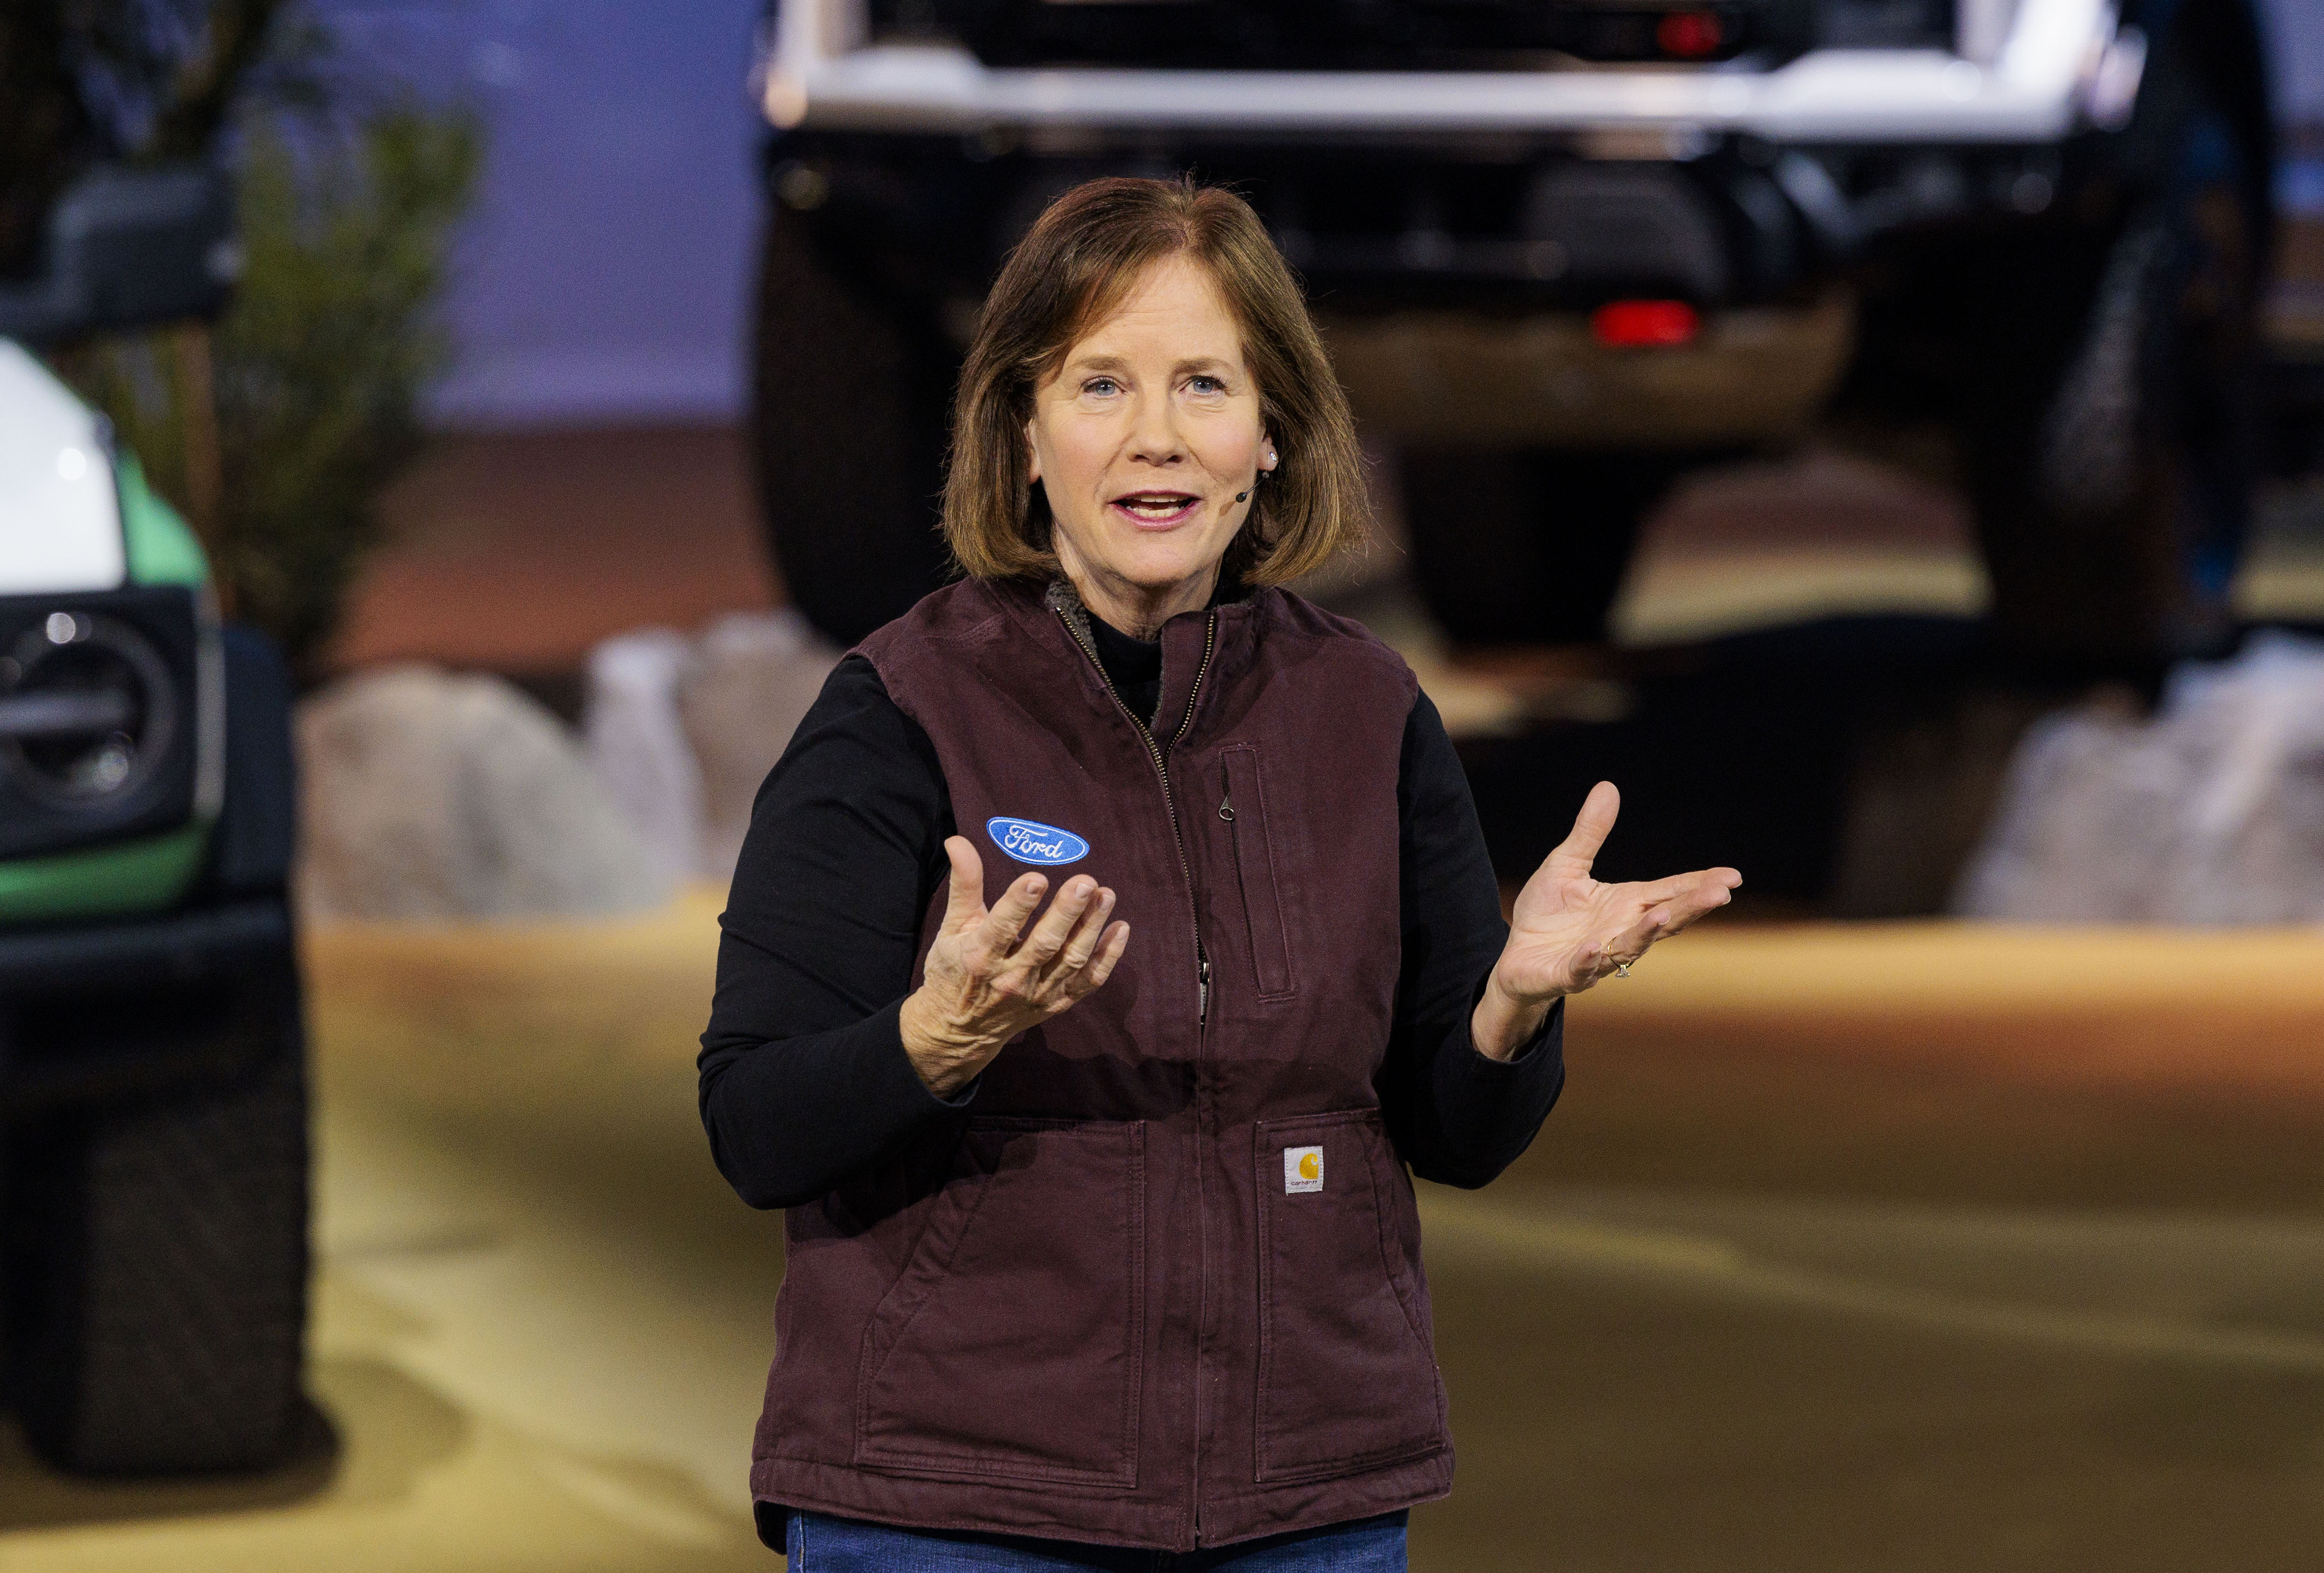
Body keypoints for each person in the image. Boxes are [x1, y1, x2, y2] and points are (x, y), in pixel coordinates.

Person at [698, 175, 1742, 1571]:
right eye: (1100, 385)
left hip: (1303, 1499)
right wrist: (934, 1039)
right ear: (1022, 432)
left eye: (1204, 385)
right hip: (957, 1502)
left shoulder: (1367, 713)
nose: (1156, 438)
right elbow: (755, 1123)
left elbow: (1457, 1137)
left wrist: (1510, 1007)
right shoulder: (897, 713)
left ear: (1271, 439)